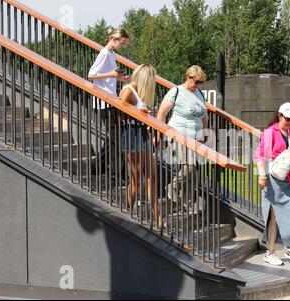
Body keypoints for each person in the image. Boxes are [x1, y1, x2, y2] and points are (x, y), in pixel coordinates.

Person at [253, 102, 290, 266]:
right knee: (274, 217)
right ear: (279, 116)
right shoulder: (270, 132)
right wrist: (262, 176)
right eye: (288, 118)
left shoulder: (289, 131)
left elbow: (287, 153)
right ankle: (271, 252)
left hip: (287, 178)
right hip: (273, 179)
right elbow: (259, 154)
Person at [156, 65, 208, 211]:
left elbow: (204, 115)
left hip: (195, 137)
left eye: (201, 82)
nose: (198, 85)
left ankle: (187, 200)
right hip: (178, 134)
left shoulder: (199, 93)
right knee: (190, 166)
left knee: (195, 170)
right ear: (188, 77)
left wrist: (205, 132)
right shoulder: (176, 91)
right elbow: (161, 114)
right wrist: (158, 133)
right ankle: (173, 186)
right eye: (196, 81)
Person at [119, 64, 160, 227]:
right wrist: (139, 112)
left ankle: (158, 217)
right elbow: (120, 114)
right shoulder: (128, 90)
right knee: (136, 180)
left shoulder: (138, 92)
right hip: (130, 134)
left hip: (142, 133)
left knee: (152, 177)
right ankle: (126, 211)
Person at [88, 28, 130, 176]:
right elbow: (91, 74)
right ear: (114, 39)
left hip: (110, 101)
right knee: (116, 137)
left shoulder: (111, 54)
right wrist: (112, 74)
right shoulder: (105, 53)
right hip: (103, 102)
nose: (122, 46)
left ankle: (100, 168)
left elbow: (107, 77)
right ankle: (103, 169)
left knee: (115, 137)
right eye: (122, 43)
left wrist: (120, 78)